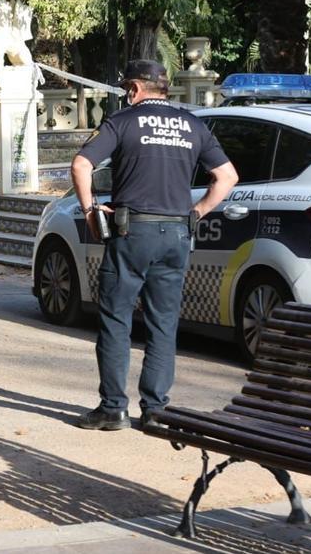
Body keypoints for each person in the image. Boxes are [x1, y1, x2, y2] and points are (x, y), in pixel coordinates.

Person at [71, 59, 237, 431]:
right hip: (177, 233)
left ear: (133, 89)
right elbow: (227, 176)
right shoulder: (194, 125)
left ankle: (113, 408)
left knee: (116, 318)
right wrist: (197, 212)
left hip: (132, 232)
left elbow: (82, 164)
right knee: (163, 322)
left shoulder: (122, 122)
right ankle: (156, 410)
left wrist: (89, 210)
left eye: (125, 90)